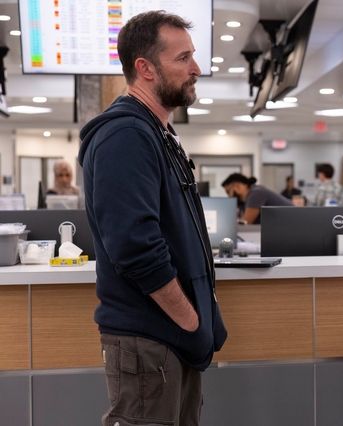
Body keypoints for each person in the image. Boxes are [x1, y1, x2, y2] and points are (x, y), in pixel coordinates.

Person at [78, 11, 227, 426]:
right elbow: (135, 246)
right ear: (145, 68)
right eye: (183, 58)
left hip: (170, 341)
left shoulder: (157, 133)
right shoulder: (125, 136)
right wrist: (189, 320)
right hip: (150, 340)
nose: (196, 69)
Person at [222, 173, 293, 224]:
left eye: (228, 191)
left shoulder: (256, 193)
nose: (229, 196)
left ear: (237, 186)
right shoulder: (245, 201)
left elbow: (245, 223)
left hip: (292, 224)